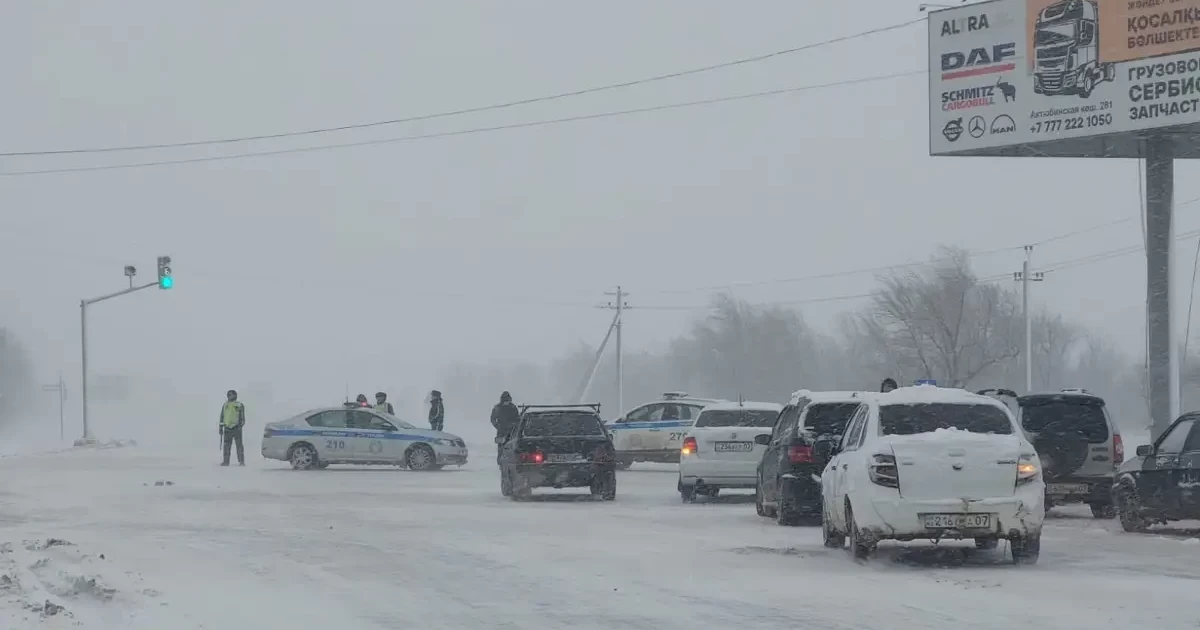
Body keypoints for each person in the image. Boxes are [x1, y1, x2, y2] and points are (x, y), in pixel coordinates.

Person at [490, 391, 519, 464]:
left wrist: (513, 426)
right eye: (505, 400)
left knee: (510, 447)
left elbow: (517, 419)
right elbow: (493, 419)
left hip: (511, 432)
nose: (506, 402)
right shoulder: (498, 408)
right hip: (502, 432)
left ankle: (508, 461)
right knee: (502, 447)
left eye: (507, 400)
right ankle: (501, 461)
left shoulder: (513, 407)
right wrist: (498, 426)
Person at [219, 389, 246, 466]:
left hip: (236, 428)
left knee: (239, 446)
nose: (229, 396)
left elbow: (242, 417)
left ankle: (241, 461)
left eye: (231, 394)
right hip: (227, 428)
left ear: (235, 395)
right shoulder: (225, 405)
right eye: (228, 394)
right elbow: (222, 417)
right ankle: (226, 461)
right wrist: (220, 428)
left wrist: (240, 425)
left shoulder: (239, 405)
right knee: (226, 446)